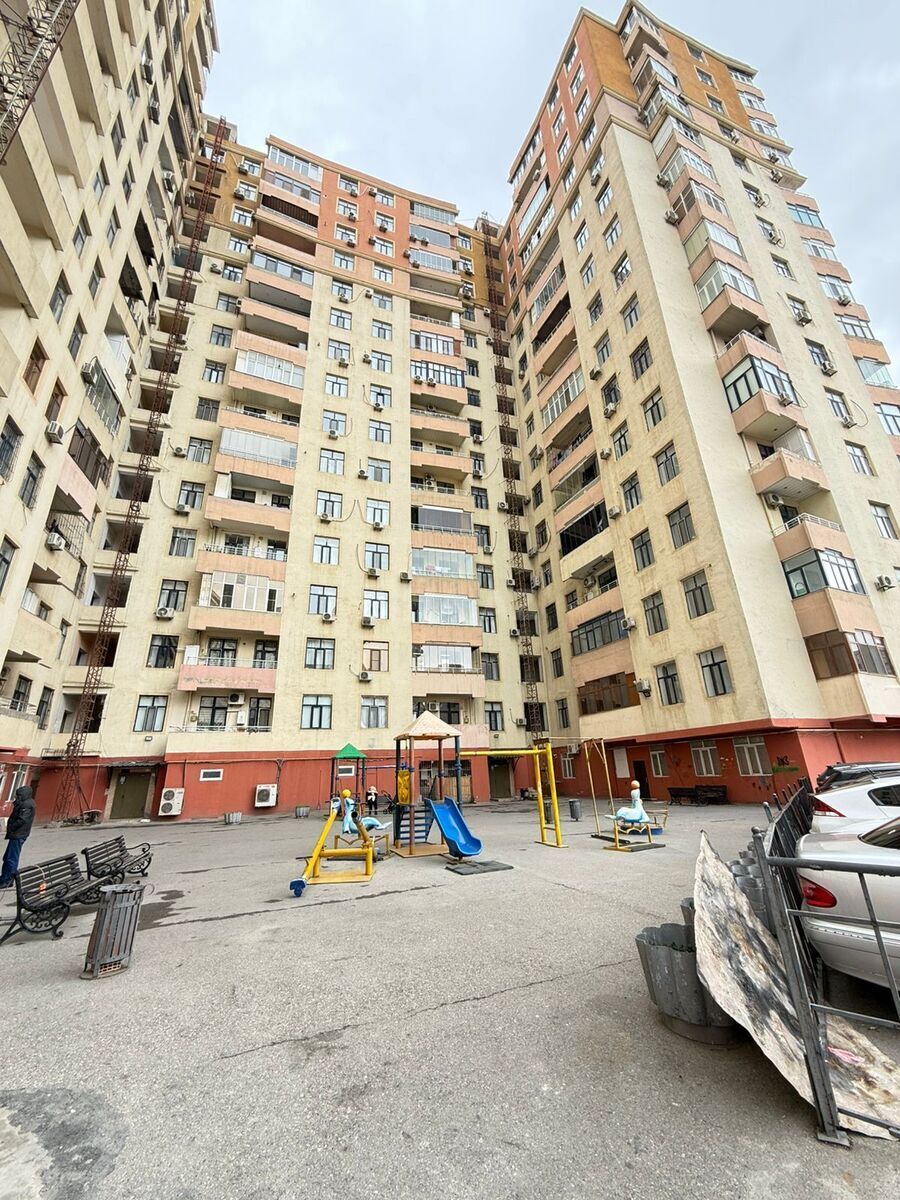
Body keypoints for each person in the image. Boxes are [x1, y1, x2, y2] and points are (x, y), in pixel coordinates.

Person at [0, 785, 36, 888]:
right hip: (17, 834)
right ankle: (4, 877)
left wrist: (11, 827)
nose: (16, 797)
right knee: (8, 857)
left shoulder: (26, 804)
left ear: (23, 795)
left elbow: (22, 819)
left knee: (11, 858)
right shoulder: (26, 802)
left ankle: (7, 880)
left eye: (18, 795)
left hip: (18, 834)